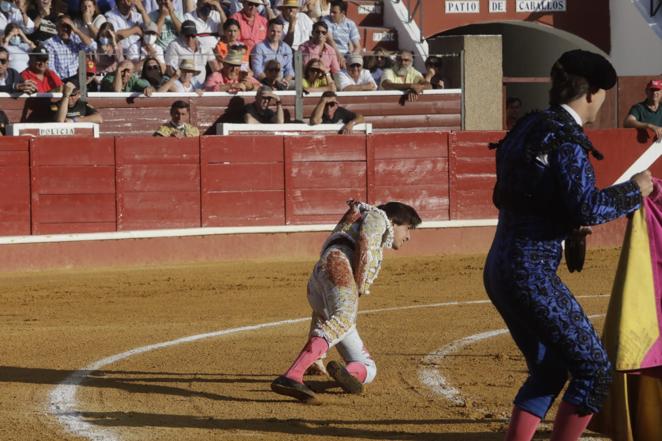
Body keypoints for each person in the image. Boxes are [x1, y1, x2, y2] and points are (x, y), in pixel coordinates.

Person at [483, 49, 654, 441]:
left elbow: (523, 194)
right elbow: (588, 205)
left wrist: (566, 225)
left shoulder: (528, 126)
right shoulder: (566, 137)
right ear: (592, 92)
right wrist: (636, 189)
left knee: (549, 369)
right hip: (532, 273)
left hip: (499, 269)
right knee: (594, 369)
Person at [271, 200, 421, 402]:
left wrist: (319, 359)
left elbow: (320, 315)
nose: (408, 236)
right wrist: (360, 283)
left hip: (320, 276)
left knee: (369, 367)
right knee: (343, 318)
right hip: (338, 265)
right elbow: (365, 244)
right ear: (394, 222)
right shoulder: (378, 218)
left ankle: (345, 373)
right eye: (408, 228)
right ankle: (292, 375)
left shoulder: (359, 215)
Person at [43, 15, 97, 83]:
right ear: (57, 27)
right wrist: (60, 85)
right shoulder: (50, 43)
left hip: (77, 81)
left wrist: (77, 31)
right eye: (63, 26)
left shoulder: (76, 39)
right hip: (59, 81)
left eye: (68, 26)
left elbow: (93, 46)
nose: (65, 29)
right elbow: (51, 68)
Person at [164, 19, 217, 88]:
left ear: (196, 34)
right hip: (182, 85)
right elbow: (169, 69)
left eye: (193, 35)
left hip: (202, 86)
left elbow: (215, 67)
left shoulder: (205, 45)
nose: (190, 39)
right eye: (187, 36)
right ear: (181, 34)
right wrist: (183, 83)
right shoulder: (174, 45)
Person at [250, 18, 292, 85]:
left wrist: (285, 81)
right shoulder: (259, 47)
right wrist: (269, 82)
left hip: (282, 82)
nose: (275, 34)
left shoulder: (286, 48)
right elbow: (257, 70)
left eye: (278, 32)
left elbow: (289, 70)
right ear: (267, 30)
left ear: (282, 32)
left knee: (298, 85)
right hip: (263, 81)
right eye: (273, 31)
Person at [321, 0, 358, 68]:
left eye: (334, 12)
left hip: (347, 56)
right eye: (330, 11)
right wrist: (339, 56)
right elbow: (330, 40)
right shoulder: (325, 20)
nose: (331, 14)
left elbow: (357, 47)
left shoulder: (350, 24)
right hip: (330, 53)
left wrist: (350, 58)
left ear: (342, 13)